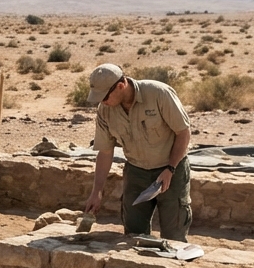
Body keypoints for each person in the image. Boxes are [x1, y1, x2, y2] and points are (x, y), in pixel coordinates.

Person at [82, 64, 194, 242]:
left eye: (104, 97)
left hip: (171, 171)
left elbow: (183, 132)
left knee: (174, 235)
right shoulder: (105, 111)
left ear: (120, 86)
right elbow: (105, 151)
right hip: (136, 173)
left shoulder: (158, 93)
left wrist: (170, 169)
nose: (102, 102)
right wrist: (97, 192)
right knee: (133, 235)